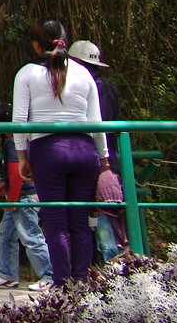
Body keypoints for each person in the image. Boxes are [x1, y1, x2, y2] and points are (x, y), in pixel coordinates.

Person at [12, 18, 109, 289]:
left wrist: (22, 156)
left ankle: (62, 284)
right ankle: (81, 282)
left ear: (35, 43)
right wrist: (104, 158)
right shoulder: (83, 73)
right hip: (84, 150)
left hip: (49, 150)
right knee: (80, 220)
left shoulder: (27, 73)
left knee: (55, 222)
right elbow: (96, 121)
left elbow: (19, 120)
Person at [0, 103, 53, 289]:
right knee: (6, 235)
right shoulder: (18, 139)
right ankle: (6, 274)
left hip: (24, 196)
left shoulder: (13, 141)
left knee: (30, 236)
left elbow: (17, 173)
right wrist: (4, 186)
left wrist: (13, 199)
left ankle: (50, 276)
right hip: (19, 194)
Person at [68, 39, 126, 262]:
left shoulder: (98, 89)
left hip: (102, 162)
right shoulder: (98, 87)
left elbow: (96, 126)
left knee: (105, 216)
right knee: (94, 216)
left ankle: (112, 267)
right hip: (96, 159)